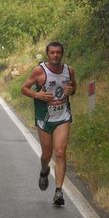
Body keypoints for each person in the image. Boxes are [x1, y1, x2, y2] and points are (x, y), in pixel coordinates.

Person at [21, 41, 76, 206]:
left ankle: (58, 191)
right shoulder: (39, 71)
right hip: (44, 118)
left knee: (60, 152)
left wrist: (71, 90)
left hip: (63, 116)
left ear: (62, 54)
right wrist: (38, 96)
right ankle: (44, 170)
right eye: (52, 52)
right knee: (46, 154)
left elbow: (74, 87)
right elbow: (24, 88)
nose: (55, 55)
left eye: (58, 52)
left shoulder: (69, 71)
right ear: (47, 54)